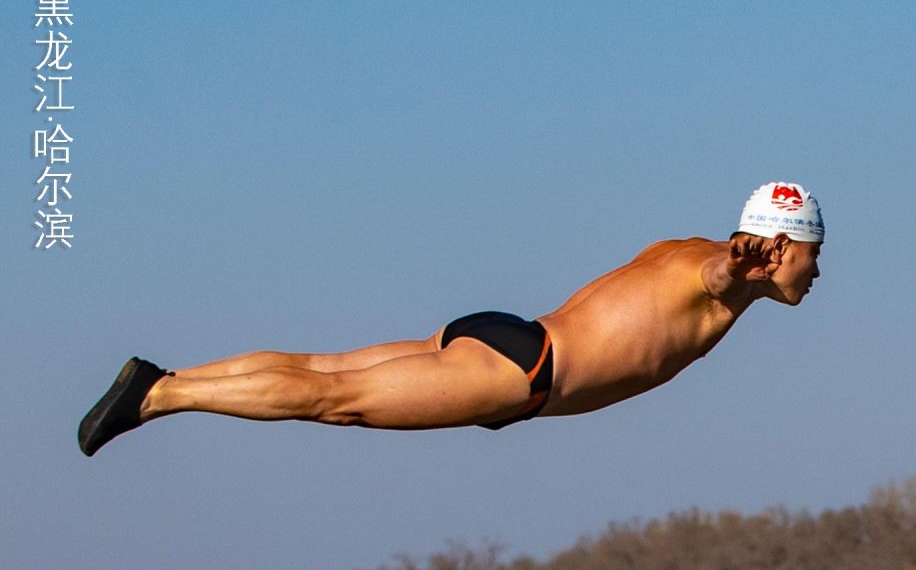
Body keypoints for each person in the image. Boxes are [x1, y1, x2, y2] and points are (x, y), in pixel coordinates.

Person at [77, 182, 824, 456]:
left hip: (506, 337)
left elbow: (704, 267)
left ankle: (163, 379)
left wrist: (734, 263)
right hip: (524, 372)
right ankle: (162, 397)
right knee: (335, 400)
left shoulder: (680, 247)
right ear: (780, 248)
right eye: (813, 255)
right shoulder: (719, 273)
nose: (817, 272)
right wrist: (737, 265)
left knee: (323, 369)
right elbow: (716, 273)